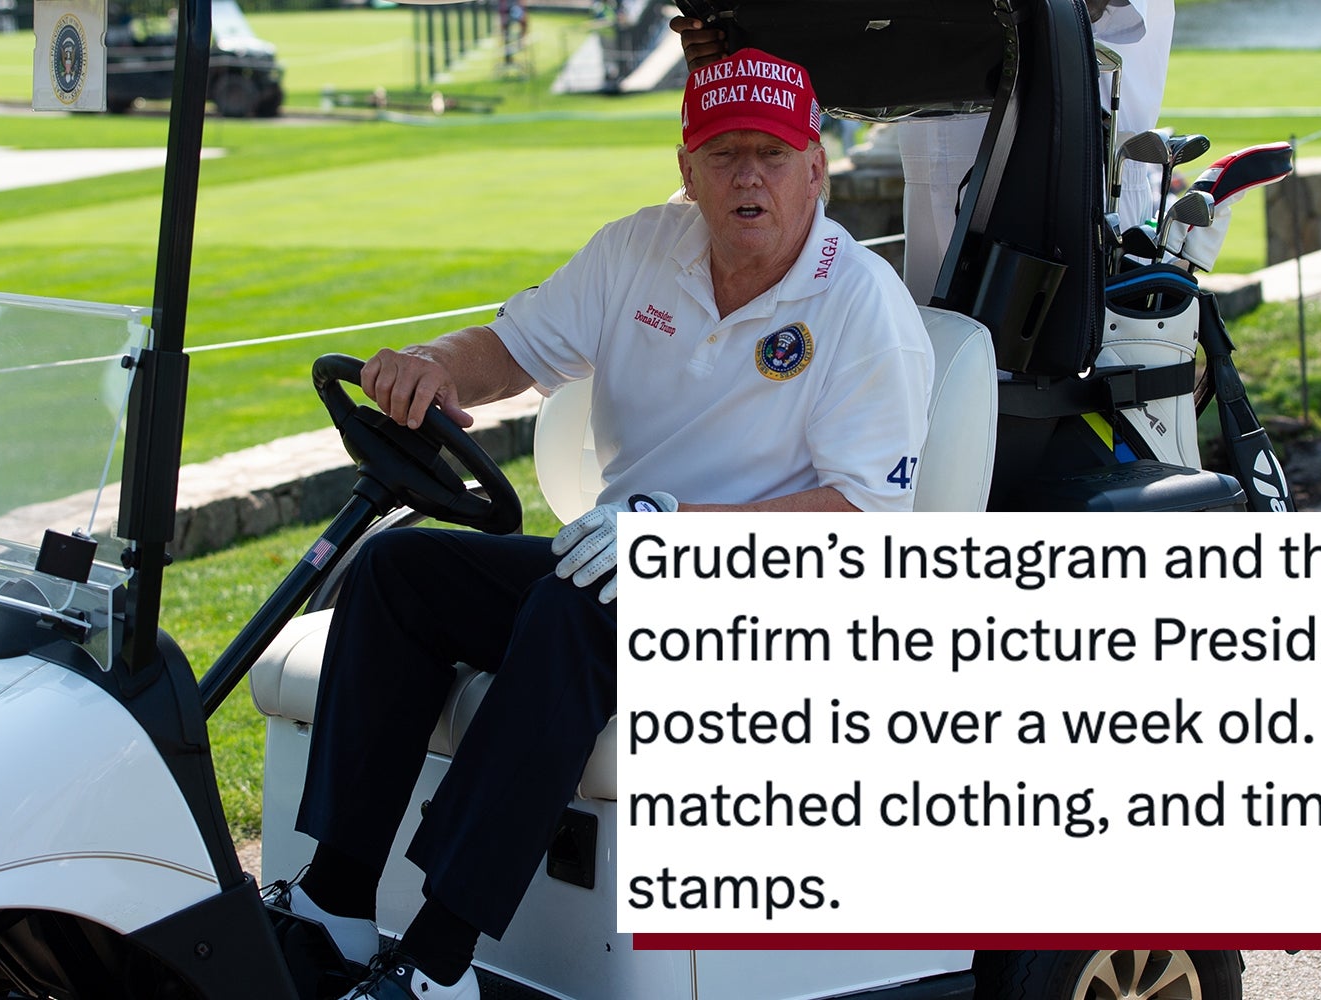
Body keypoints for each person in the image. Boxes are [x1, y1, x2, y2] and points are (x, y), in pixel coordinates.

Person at [286, 47, 934, 1000]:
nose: (746, 176)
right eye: (722, 155)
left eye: (769, 152)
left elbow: (864, 519)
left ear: (815, 167)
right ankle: (336, 907)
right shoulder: (641, 249)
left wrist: (677, 539)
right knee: (398, 576)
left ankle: (438, 958)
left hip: (774, 599)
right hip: (620, 560)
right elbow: (512, 347)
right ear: (686, 168)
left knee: (573, 612)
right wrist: (434, 366)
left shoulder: (861, 308)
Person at [673, 0, 1173, 303]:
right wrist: (739, 42)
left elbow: (1095, 12)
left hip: (1070, 182)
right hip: (933, 175)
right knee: (941, 397)